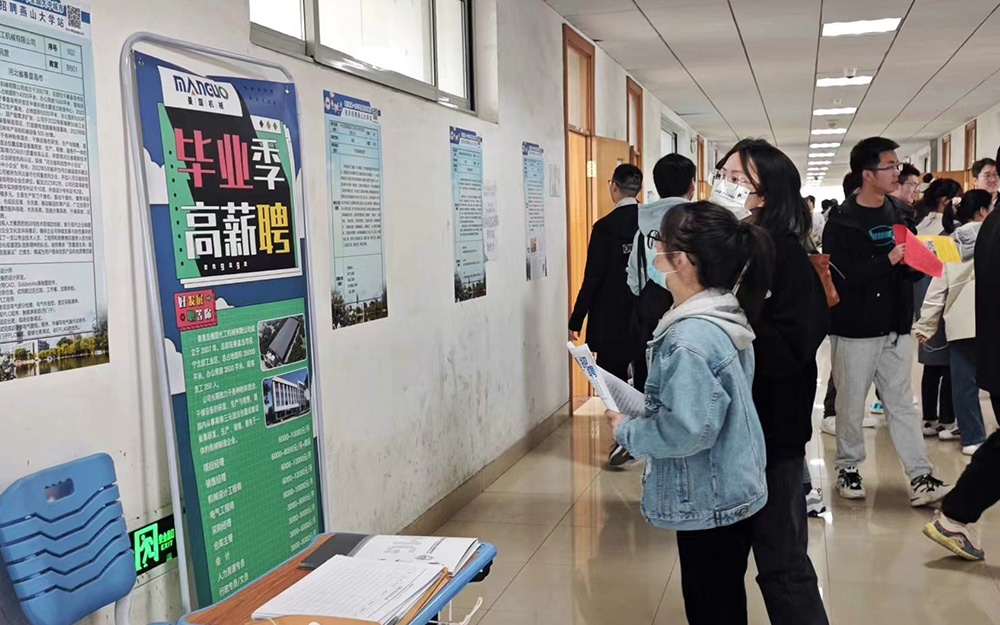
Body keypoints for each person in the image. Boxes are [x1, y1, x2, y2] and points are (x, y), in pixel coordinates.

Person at [608, 201, 773, 625]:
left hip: (709, 493)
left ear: (680, 259)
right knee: (721, 601)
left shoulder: (690, 338)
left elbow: (687, 431)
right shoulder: (720, 310)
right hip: (728, 484)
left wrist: (628, 430)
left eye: (657, 241)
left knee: (711, 607)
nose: (654, 250)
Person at [713, 139, 829, 623]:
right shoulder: (735, 246)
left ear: (765, 195)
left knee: (782, 564)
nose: (725, 185)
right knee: (722, 565)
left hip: (771, 430)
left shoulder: (782, 254)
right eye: (723, 174)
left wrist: (727, 331)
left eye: (737, 179)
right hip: (730, 428)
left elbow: (793, 346)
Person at [822, 136, 950, 505]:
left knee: (901, 403)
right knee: (850, 403)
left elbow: (907, 263)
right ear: (867, 174)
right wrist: (888, 260)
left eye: (897, 165)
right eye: (889, 167)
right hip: (855, 327)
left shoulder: (899, 212)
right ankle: (848, 467)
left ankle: (921, 475)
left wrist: (919, 262)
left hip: (895, 324)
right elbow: (843, 276)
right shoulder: (842, 222)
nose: (897, 172)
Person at [607, 154, 695, 469]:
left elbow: (633, 278)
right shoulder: (699, 224)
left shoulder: (642, 228)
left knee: (649, 382)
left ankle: (644, 441)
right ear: (692, 186)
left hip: (650, 317)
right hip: (690, 315)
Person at [922, 204, 1000, 561]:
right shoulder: (980, 231)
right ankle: (955, 515)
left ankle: (955, 515)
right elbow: (941, 281)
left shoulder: (990, 225)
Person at [915, 190, 994, 456]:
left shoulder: (949, 244)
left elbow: (937, 289)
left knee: (964, 383)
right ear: (982, 211)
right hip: (990, 319)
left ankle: (972, 438)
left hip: (960, 322)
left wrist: (926, 325)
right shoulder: (993, 236)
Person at [569, 164, 642, 381]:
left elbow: (593, 278)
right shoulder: (651, 223)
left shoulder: (604, 227)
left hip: (611, 318)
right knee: (644, 380)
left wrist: (576, 320)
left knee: (613, 383)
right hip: (645, 316)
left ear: (614, 187)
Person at [821, 170, 876, 427]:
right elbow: (844, 271)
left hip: (870, 310)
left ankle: (849, 412)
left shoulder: (882, 216)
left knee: (858, 369)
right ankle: (833, 413)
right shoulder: (842, 222)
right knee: (844, 366)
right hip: (847, 309)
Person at [911, 179, 964, 440]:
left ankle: (929, 418)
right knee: (950, 364)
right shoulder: (950, 231)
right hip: (945, 299)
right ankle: (947, 421)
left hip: (921, 298)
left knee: (931, 364)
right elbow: (953, 269)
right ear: (946, 201)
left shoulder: (918, 225)